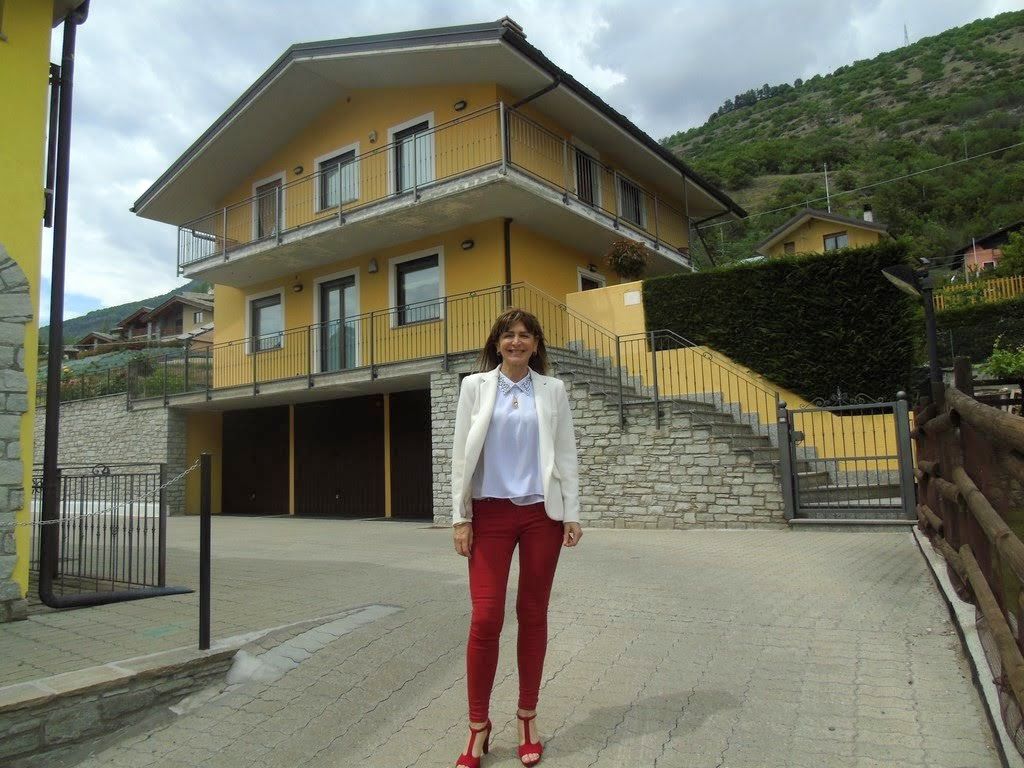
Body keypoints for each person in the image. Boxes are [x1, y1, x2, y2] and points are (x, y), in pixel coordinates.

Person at [451, 307, 583, 768]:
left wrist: (572, 512)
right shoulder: (474, 386)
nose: (517, 341)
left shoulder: (552, 390)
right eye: (509, 334)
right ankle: (477, 726)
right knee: (486, 617)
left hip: (541, 516)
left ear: (536, 344)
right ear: (497, 343)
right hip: (489, 513)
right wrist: (460, 517)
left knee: (533, 613)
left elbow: (565, 453)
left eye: (526, 335)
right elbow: (460, 456)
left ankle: (528, 717)